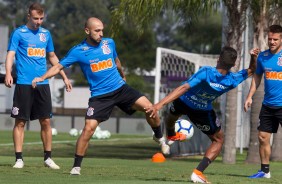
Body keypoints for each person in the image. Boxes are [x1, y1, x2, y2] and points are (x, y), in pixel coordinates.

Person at [31, 17, 173, 175]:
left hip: (120, 89)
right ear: (87, 31)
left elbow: (116, 60)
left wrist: (122, 74)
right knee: (88, 129)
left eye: (102, 30)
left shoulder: (109, 43)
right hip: (100, 96)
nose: (101, 33)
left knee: (149, 108)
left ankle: (159, 138)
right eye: (97, 30)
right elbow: (58, 66)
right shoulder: (78, 51)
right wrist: (42, 78)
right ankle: (76, 167)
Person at [146, 46, 258, 183]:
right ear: (233, 65)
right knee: (218, 140)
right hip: (202, 111)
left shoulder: (206, 72)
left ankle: (170, 135)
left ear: (218, 60)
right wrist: (253, 56)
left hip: (184, 100)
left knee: (172, 116)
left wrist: (159, 104)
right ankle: (198, 172)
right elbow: (252, 70)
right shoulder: (232, 80)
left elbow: (184, 87)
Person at [5, 2, 72, 169]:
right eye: (36, 18)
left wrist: (64, 76)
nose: (39, 22)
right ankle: (19, 159)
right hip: (24, 84)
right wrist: (8, 73)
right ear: (29, 16)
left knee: (46, 122)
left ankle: (48, 158)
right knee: (20, 122)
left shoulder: (46, 34)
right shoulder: (18, 33)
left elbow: (52, 57)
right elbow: (10, 55)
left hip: (42, 84)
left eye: (41, 18)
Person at [244, 24, 282, 179]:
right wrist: (249, 96)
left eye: (275, 39)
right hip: (267, 105)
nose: (272, 42)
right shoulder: (263, 57)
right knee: (262, 137)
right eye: (270, 39)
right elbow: (257, 77)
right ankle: (265, 171)